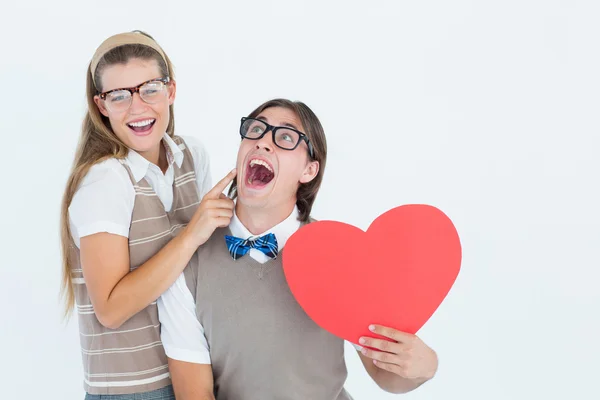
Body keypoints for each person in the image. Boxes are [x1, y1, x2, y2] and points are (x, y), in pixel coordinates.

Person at [157, 98, 439, 399]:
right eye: (255, 130)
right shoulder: (188, 261)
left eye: (286, 137)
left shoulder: (338, 254)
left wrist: (424, 368)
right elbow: (194, 394)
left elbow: (386, 376)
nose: (264, 143)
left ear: (309, 170)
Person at [59, 30, 237, 399]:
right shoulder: (105, 181)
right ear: (101, 106)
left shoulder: (191, 155)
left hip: (195, 373)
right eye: (119, 96)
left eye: (150, 89)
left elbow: (202, 268)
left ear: (171, 91)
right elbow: (109, 309)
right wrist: (191, 236)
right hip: (136, 389)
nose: (138, 108)